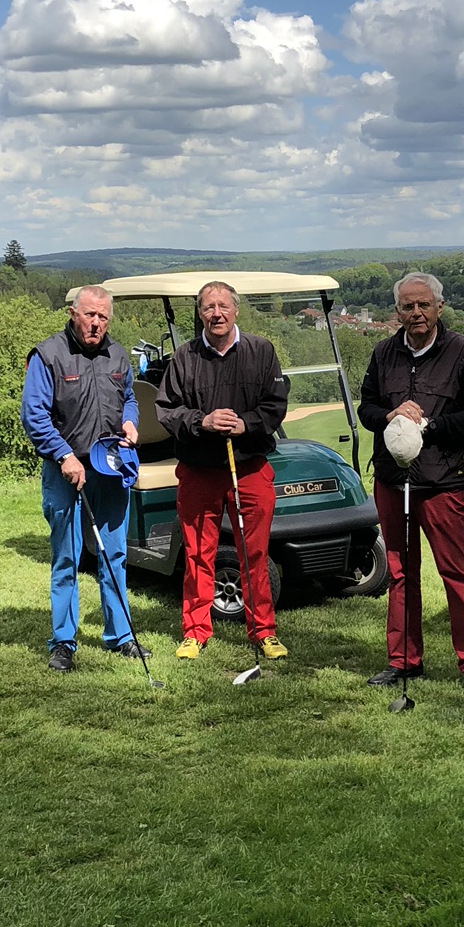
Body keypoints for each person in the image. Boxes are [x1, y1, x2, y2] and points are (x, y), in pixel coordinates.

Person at [357, 271, 464, 695]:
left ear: (439, 307)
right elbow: (366, 409)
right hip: (392, 480)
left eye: (424, 304)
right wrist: (391, 416)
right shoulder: (383, 353)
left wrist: (427, 427)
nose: (416, 312)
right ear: (397, 312)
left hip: (442, 481)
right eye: (408, 306)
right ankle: (403, 661)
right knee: (400, 573)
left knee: (455, 572)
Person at [155, 280, 290, 661]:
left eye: (223, 306)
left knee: (254, 553)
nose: (216, 313)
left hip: (249, 468)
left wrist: (246, 424)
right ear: (199, 313)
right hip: (200, 470)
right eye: (208, 307)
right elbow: (167, 410)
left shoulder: (261, 351)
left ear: (236, 310)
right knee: (199, 554)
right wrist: (203, 422)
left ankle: (263, 631)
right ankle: (195, 631)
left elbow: (275, 404)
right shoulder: (184, 357)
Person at [21, 285, 141, 673]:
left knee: (114, 554)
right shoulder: (48, 355)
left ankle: (121, 636)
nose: (95, 323)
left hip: (110, 467)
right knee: (67, 558)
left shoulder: (118, 354)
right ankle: (63, 642)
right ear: (73, 314)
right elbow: (34, 416)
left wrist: (130, 421)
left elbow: (129, 398)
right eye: (89, 315)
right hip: (66, 470)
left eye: (103, 317)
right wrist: (63, 455)